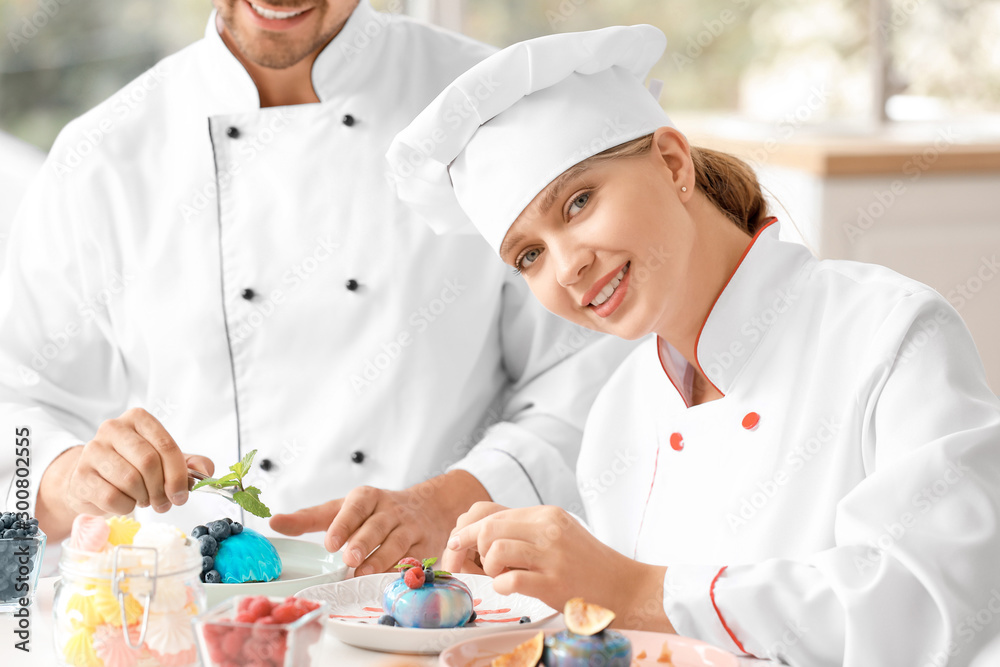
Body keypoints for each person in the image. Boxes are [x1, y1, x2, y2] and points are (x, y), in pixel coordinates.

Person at [387, 25, 1000, 666]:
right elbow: (625, 642)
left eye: (578, 203)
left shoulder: (890, 333)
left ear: (674, 163)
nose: (566, 267)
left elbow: (936, 605)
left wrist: (637, 590)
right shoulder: (621, 408)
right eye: (530, 255)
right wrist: (517, 584)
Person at [0, 0, 636, 577]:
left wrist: (449, 501)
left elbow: (592, 375)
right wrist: (69, 479)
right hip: (188, 620)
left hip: (444, 608)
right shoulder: (102, 155)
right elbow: (18, 403)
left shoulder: (493, 107)